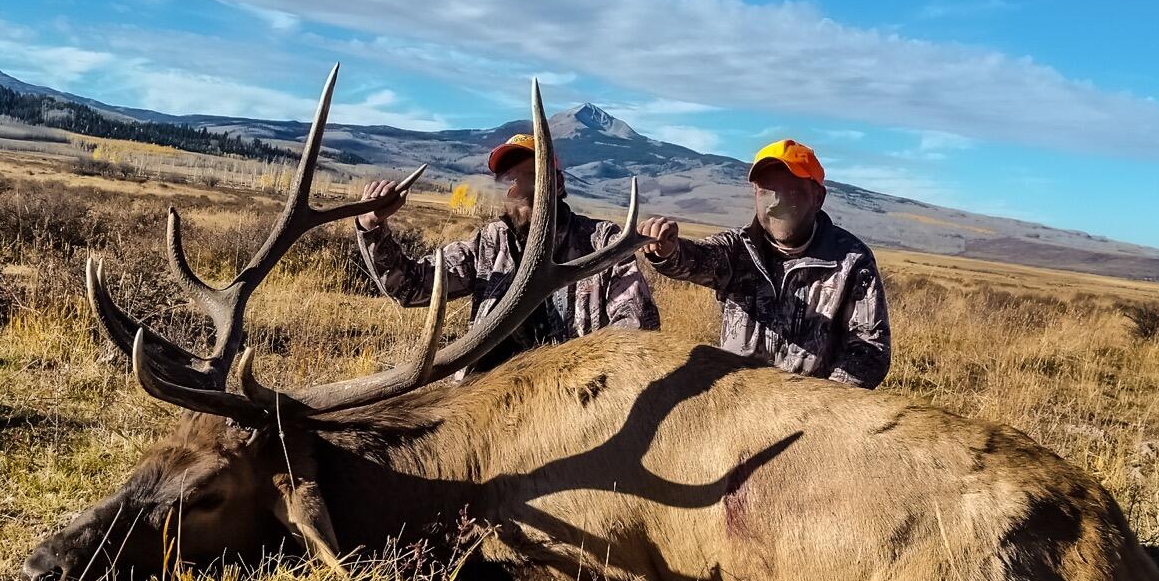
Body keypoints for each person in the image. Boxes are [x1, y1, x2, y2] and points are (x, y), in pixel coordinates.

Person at [356, 133, 660, 370]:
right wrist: (372, 226)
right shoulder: (489, 243)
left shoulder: (603, 243)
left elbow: (635, 333)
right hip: (489, 402)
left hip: (572, 406)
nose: (515, 189)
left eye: (528, 177)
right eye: (508, 179)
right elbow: (411, 288)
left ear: (557, 183)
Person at [638, 139, 890, 387]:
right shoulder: (738, 248)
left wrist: (824, 404)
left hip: (811, 414)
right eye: (767, 192)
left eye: (791, 192)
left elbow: (870, 350)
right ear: (755, 194)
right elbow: (695, 259)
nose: (777, 204)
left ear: (817, 197)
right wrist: (667, 250)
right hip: (737, 406)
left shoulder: (852, 260)